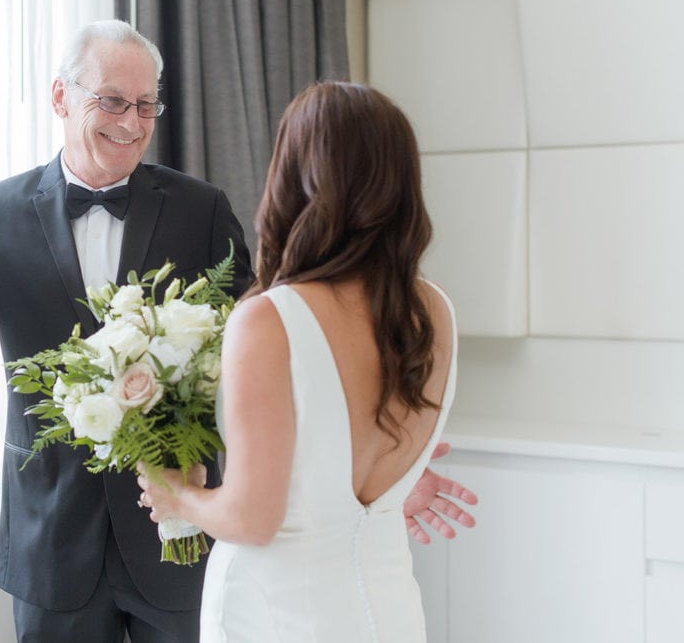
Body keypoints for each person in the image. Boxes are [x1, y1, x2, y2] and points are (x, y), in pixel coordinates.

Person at [0, 21, 473, 642]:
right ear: (61, 96)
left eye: (146, 105)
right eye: (111, 101)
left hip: (179, 538)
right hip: (51, 541)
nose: (131, 121)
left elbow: (293, 346)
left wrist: (359, 477)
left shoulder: (200, 209)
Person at [137, 81, 460, 642]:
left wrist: (177, 495)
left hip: (276, 618)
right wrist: (402, 485)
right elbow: (362, 463)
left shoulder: (268, 319)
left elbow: (251, 521)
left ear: (296, 176)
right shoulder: (434, 311)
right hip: (388, 615)